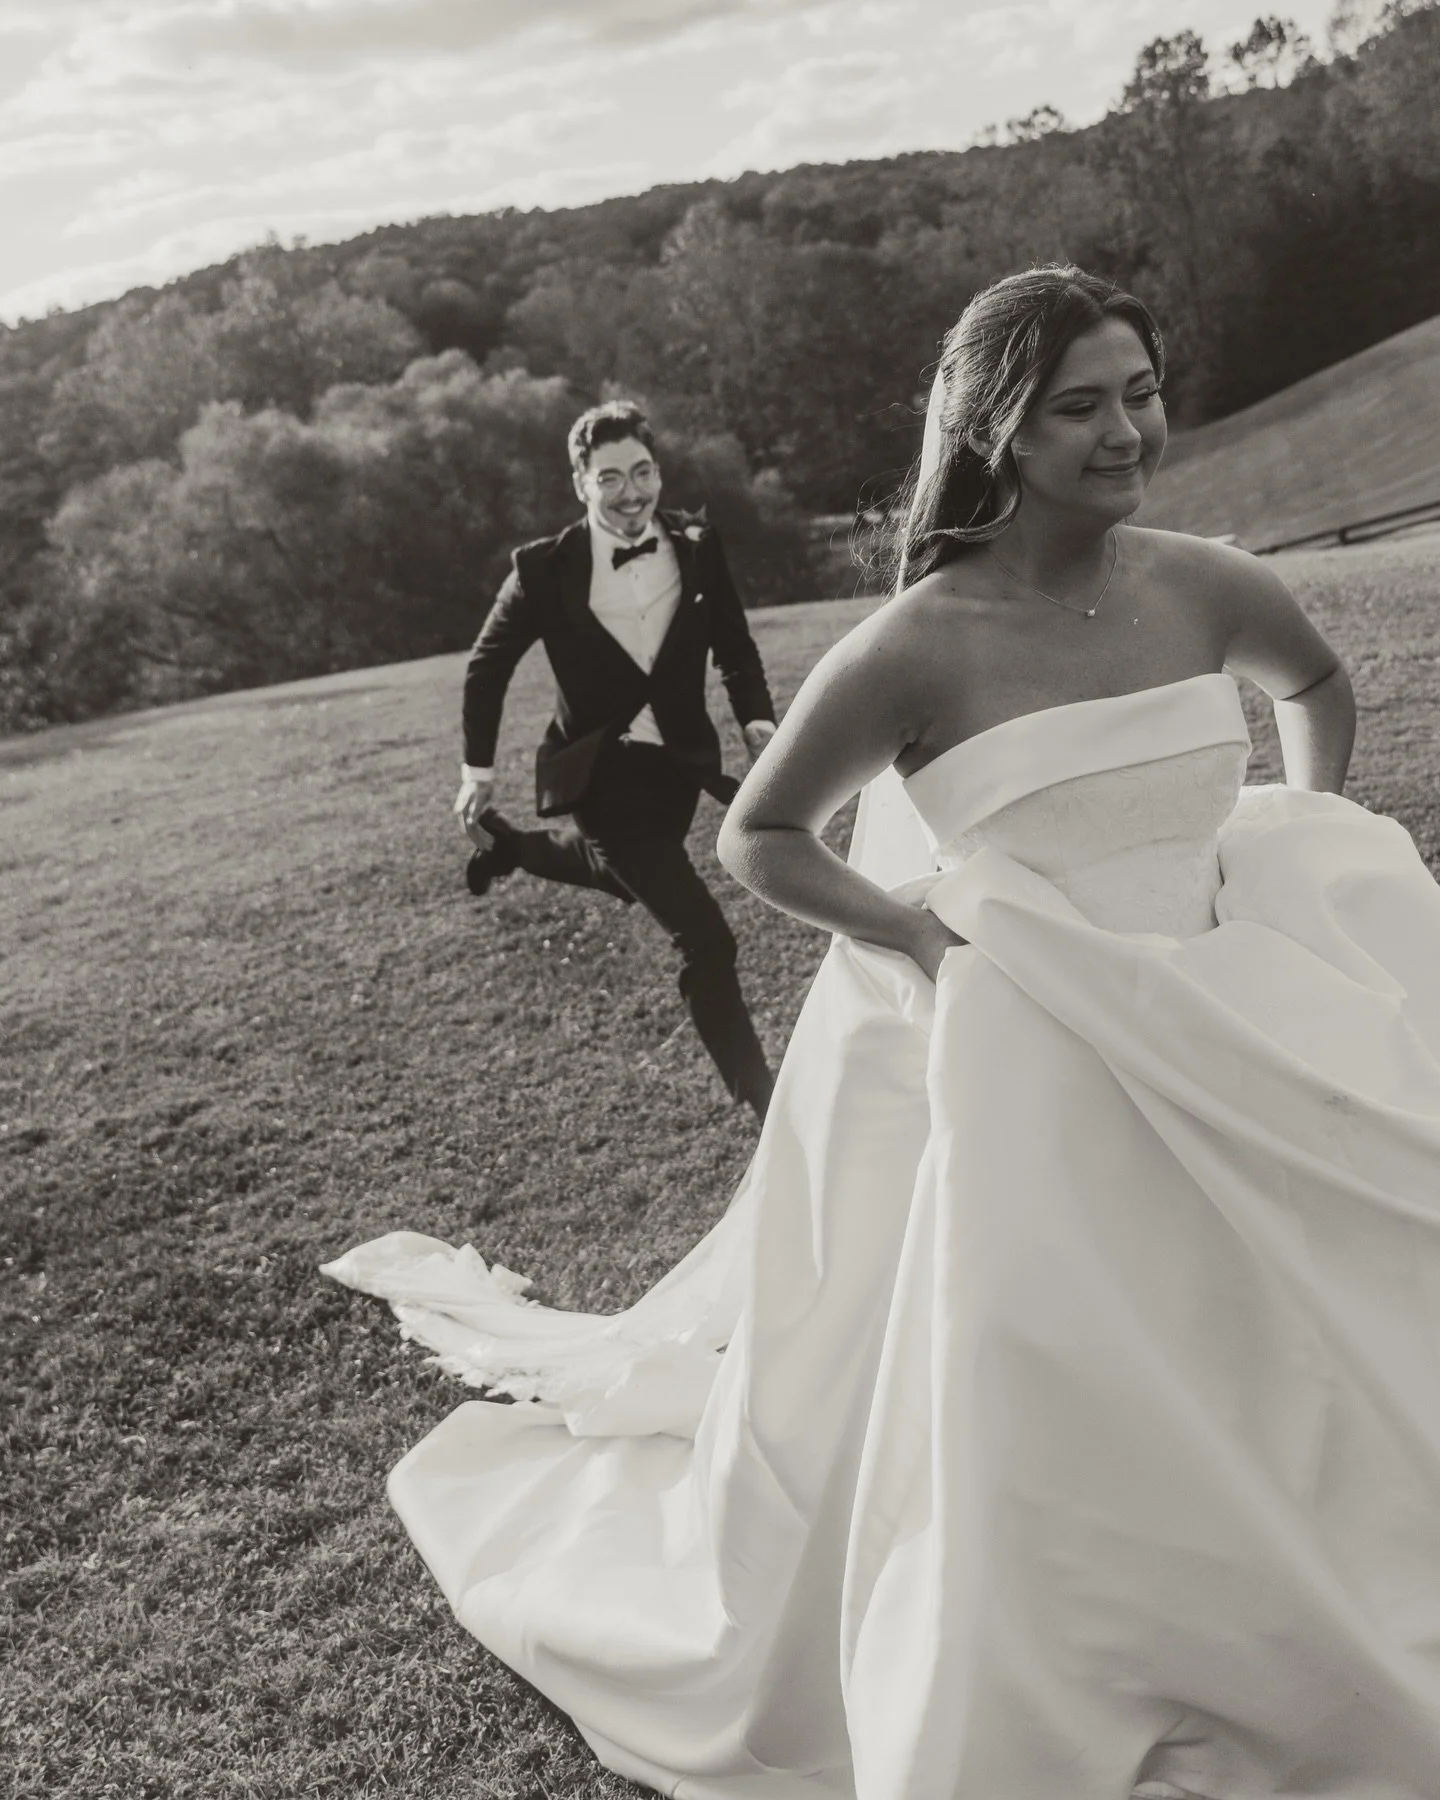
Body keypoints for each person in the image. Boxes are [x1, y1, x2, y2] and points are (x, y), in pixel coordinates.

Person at [325, 267, 1440, 1799]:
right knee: (1076, 1360)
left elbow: (1314, 684)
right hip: (1047, 1048)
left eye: (1141, 390)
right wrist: (918, 931)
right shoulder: (920, 641)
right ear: (995, 427)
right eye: (1083, 405)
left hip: (1228, 1013)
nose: (1130, 429)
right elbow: (765, 833)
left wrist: (1290, 827)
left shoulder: (1208, 580)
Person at [453, 400, 777, 1121]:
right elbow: (486, 665)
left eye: (642, 472)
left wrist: (756, 719)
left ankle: (510, 848)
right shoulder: (542, 570)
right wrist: (476, 772)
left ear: (658, 471)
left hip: (680, 772)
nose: (631, 492)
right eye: (610, 478)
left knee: (619, 874)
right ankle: (765, 1101)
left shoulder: (698, 545)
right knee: (706, 939)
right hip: (599, 779)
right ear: (581, 484)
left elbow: (735, 647)